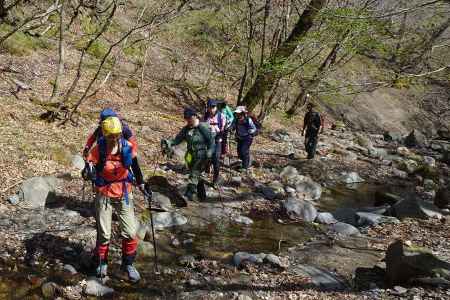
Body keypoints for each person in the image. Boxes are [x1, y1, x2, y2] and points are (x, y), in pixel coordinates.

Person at [86, 116, 145, 283]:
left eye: (117, 135)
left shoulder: (127, 147)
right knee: (104, 234)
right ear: (104, 134)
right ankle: (102, 263)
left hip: (124, 193)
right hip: (104, 194)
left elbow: (135, 167)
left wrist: (142, 184)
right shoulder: (99, 149)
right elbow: (88, 167)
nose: (114, 139)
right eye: (110, 135)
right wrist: (88, 173)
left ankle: (128, 265)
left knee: (130, 232)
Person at [162, 108, 214, 201]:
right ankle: (202, 195)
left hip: (201, 155)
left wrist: (209, 152)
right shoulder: (186, 129)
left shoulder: (202, 127)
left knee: (194, 174)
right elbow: (177, 140)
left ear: (194, 116)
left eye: (189, 118)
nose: (188, 120)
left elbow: (211, 141)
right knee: (195, 174)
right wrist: (168, 143)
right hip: (190, 156)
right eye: (186, 119)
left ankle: (189, 194)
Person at [203, 99, 226, 185]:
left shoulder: (221, 116)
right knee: (207, 156)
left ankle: (215, 178)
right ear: (207, 108)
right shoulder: (205, 116)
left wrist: (218, 134)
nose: (212, 109)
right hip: (207, 141)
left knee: (216, 159)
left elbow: (223, 131)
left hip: (217, 141)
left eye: (213, 107)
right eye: (210, 107)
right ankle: (206, 169)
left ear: (216, 107)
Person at [232, 106, 257, 172]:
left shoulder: (248, 120)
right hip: (239, 137)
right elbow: (233, 126)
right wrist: (230, 129)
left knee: (244, 151)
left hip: (247, 138)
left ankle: (245, 167)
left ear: (243, 113)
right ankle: (242, 163)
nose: (237, 114)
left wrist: (249, 131)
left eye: (239, 113)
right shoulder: (236, 119)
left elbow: (254, 128)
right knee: (239, 151)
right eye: (237, 113)